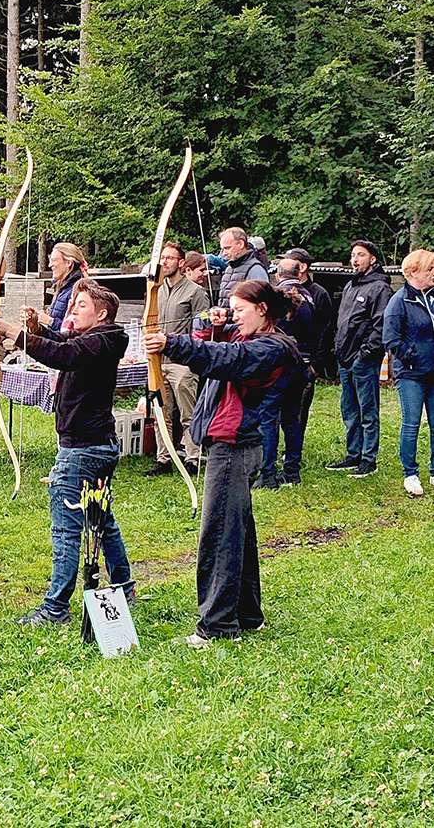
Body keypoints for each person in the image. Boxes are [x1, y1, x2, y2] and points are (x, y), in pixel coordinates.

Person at [144, 280, 304, 646]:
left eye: (240, 310)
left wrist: (173, 343)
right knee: (239, 534)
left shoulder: (272, 348)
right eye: (232, 310)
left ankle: (216, 626)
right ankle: (248, 615)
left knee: (219, 534)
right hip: (232, 443)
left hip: (235, 446)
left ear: (262, 309)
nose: (235, 317)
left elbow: (229, 361)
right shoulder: (250, 339)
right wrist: (217, 327)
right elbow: (223, 352)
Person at [0, 279, 135, 626]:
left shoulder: (103, 339)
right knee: (101, 521)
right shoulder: (98, 338)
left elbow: (65, 355)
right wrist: (35, 329)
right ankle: (124, 587)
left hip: (83, 449)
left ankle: (55, 608)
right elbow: (62, 343)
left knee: (67, 530)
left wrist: (13, 332)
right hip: (93, 445)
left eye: (81, 305)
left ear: (101, 313)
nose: (73, 309)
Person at [327, 239, 393, 478]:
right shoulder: (350, 286)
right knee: (349, 410)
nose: (355, 259)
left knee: (367, 411)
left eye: (360, 255)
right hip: (344, 359)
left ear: (372, 259)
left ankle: (368, 459)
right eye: (353, 255)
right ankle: (353, 454)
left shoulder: (380, 288)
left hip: (364, 360)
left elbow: (381, 326)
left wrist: (364, 354)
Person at [146, 245, 210, 477]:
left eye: (170, 258)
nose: (165, 262)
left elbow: (203, 328)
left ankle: (193, 457)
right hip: (157, 360)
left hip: (182, 362)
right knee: (161, 413)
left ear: (181, 263)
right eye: (162, 258)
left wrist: (193, 352)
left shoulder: (195, 291)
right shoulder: (157, 290)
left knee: (187, 412)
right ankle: (163, 458)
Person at [257, 260, 316, 487]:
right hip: (302, 366)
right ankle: (292, 471)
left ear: (278, 274)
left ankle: (268, 474)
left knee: (268, 418)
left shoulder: (280, 299)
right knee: (292, 419)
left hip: (281, 365)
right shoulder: (309, 297)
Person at [382, 249, 434, 497]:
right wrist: (411, 356)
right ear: (414, 272)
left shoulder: (432, 298)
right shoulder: (399, 301)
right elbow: (390, 339)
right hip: (412, 374)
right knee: (411, 423)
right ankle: (410, 473)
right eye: (430, 269)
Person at [282, 247, 334, 379]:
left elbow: (325, 330)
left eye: (289, 262)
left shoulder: (318, 293)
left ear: (303, 266)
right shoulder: (281, 292)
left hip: (308, 360)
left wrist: (316, 364)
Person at [37, 242, 88, 332]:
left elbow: (76, 330)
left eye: (53, 260)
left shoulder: (79, 290)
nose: (50, 265)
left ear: (68, 263)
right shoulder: (63, 287)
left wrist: (49, 321)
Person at [217, 227, 269, 306]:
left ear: (241, 244)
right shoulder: (228, 269)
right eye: (222, 249)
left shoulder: (255, 269)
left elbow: (263, 303)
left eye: (227, 248)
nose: (224, 253)